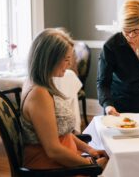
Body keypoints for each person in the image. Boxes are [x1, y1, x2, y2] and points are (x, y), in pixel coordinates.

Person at [20, 28, 108, 170]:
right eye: (66, 59)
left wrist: (89, 150)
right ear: (49, 59)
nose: (69, 65)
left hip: (65, 159)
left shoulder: (38, 83)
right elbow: (54, 151)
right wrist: (91, 165)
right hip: (51, 167)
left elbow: (61, 133)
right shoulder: (38, 94)